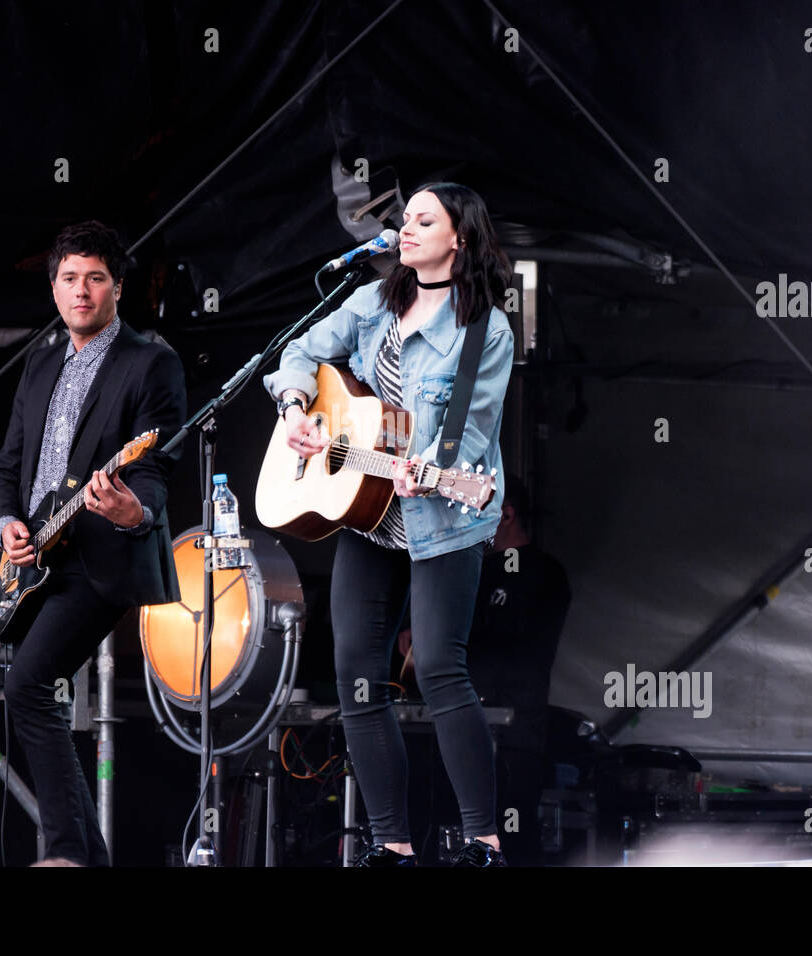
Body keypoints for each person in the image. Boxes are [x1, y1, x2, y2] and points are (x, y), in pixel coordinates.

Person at [264, 183, 515, 866]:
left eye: (422, 220)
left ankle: (483, 840)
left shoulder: (484, 329)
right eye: (404, 219)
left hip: (443, 512)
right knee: (356, 674)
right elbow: (298, 352)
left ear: (458, 238)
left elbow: (467, 434)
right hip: (370, 513)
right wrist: (295, 409)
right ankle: (391, 844)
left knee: (437, 667)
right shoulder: (374, 300)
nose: (405, 230)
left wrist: (426, 466)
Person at [0, 220, 186, 866]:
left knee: (27, 684)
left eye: (95, 279)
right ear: (53, 288)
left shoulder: (151, 362)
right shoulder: (40, 362)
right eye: (70, 279)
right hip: (34, 558)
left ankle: (68, 852)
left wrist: (134, 510)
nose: (82, 291)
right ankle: (88, 857)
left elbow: (155, 470)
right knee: (30, 689)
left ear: (118, 288)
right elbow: (5, 468)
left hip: (99, 559)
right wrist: (6, 526)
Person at [465, 476, 570, 864]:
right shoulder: (480, 569)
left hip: (515, 730)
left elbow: (512, 634)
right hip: (468, 723)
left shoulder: (545, 573)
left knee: (513, 832)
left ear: (506, 514)